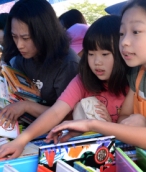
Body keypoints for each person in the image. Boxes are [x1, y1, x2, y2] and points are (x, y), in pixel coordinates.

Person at [0, 15, 129, 160]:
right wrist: (21, 141)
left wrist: (107, 126)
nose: (97, 62)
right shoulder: (82, 80)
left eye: (105, 54)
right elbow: (56, 112)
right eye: (91, 54)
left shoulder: (133, 86)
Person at [44, 0, 146, 150]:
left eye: (136, 31)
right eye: (122, 33)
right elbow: (123, 117)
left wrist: (93, 124)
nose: (124, 41)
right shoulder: (137, 74)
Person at [0, 0, 79, 129]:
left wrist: (26, 107)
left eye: (26, 38)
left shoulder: (68, 64)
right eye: (14, 36)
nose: (19, 45)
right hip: (25, 127)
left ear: (45, 33)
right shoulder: (20, 56)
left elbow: (67, 116)